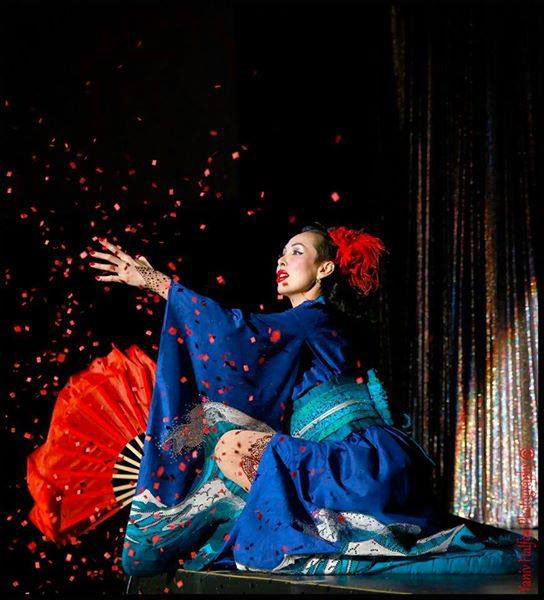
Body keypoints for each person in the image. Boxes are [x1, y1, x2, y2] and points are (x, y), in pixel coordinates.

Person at [88, 223, 536, 577]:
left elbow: (236, 333)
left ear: (325, 269)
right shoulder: (308, 327)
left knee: (229, 445)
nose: (282, 259)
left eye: (297, 251)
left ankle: (306, 529)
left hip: (358, 465)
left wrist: (157, 283)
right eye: (282, 253)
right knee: (226, 437)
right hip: (362, 464)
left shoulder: (312, 319)